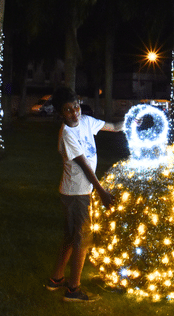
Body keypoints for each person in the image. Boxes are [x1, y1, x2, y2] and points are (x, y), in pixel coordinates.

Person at [46, 87, 123, 302]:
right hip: (76, 192)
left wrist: (133, 119)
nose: (74, 112)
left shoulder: (87, 121)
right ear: (61, 113)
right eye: (68, 110)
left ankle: (56, 279)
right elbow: (84, 166)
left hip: (78, 191)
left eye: (76, 106)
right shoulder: (67, 133)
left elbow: (115, 127)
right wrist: (102, 193)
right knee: (82, 239)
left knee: (71, 238)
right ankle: (73, 290)